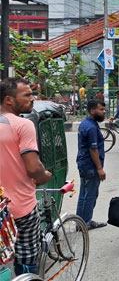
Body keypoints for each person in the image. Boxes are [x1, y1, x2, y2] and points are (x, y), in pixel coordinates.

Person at [0, 78, 52, 275]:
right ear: (9, 100)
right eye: (27, 95)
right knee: (27, 255)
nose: (33, 99)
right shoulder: (23, 124)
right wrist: (44, 175)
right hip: (20, 207)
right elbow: (33, 168)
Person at [75, 99, 107, 230]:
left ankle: (80, 222)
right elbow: (93, 149)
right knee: (90, 195)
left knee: (84, 194)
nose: (104, 112)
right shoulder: (91, 127)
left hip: (84, 164)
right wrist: (99, 168)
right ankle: (86, 222)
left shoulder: (86, 123)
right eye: (101, 109)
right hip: (90, 166)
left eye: (104, 110)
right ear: (92, 110)